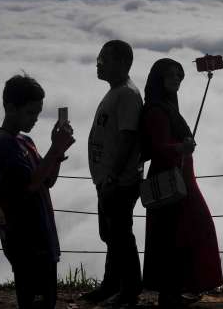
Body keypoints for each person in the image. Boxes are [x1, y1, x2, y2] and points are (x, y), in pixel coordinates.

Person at [140, 58, 223, 307]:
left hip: (178, 178)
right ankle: (171, 293)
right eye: (170, 75)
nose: (176, 79)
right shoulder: (156, 110)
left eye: (179, 75)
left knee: (177, 235)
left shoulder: (165, 106)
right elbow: (157, 148)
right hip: (170, 181)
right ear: (159, 79)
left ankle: (175, 290)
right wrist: (182, 147)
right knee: (174, 236)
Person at [0, 74, 75, 309]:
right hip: (27, 244)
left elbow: (47, 180)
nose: (35, 119)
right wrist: (55, 148)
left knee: (46, 300)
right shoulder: (5, 146)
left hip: (41, 239)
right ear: (10, 108)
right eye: (30, 113)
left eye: (37, 114)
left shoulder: (24, 141)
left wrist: (56, 154)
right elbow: (27, 186)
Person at [83, 40, 143, 306]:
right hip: (108, 179)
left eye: (104, 59)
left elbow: (128, 138)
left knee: (120, 234)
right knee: (111, 235)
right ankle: (112, 285)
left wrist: (112, 176)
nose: (99, 63)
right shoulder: (117, 92)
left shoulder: (127, 95)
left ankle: (130, 289)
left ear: (121, 62)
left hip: (118, 180)